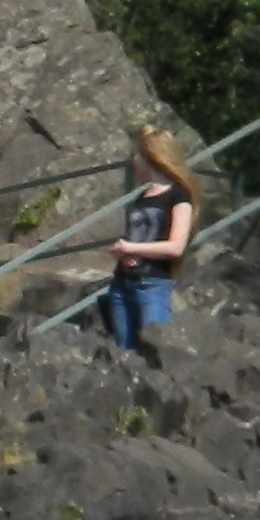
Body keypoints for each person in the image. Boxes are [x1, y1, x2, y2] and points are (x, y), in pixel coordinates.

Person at [103, 126, 199, 351]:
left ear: (152, 158)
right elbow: (138, 237)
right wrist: (125, 254)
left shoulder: (178, 195)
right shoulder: (141, 197)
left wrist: (132, 248)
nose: (133, 160)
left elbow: (176, 246)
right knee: (124, 352)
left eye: (137, 154)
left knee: (156, 350)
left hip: (152, 284)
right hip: (123, 283)